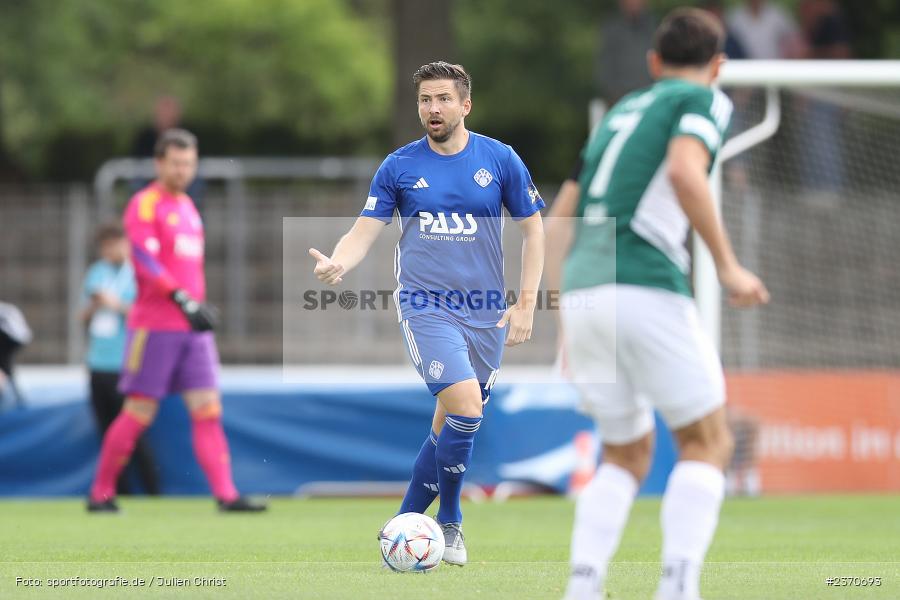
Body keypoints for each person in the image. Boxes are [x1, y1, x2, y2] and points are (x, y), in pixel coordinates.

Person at [548, 9, 769, 600]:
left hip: (584, 290)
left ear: (652, 61)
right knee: (708, 442)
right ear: (718, 65)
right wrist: (727, 266)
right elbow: (684, 173)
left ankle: (584, 584)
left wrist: (551, 303)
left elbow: (559, 213)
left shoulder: (619, 111)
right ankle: (677, 586)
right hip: (643, 281)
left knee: (624, 452)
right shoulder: (702, 100)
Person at [308, 61, 544, 566]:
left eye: (441, 99)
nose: (432, 109)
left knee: (448, 427)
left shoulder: (499, 160)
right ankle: (452, 523)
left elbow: (534, 229)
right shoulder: (399, 165)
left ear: (465, 105)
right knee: (466, 408)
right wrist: (339, 262)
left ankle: (404, 521)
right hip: (426, 306)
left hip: (485, 313)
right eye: (424, 101)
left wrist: (526, 302)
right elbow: (365, 228)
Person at [87, 129, 265, 513]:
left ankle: (227, 495)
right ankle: (100, 493)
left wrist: (194, 304)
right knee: (139, 411)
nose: (183, 170)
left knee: (208, 408)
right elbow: (146, 263)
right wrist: (183, 299)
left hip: (192, 329)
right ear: (159, 163)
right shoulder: (144, 204)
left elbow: (186, 268)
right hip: (155, 326)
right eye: (176, 163)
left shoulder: (187, 207)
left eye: (189, 163)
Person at [80, 223, 159, 496]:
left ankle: (152, 492)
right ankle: (117, 492)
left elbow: (148, 315)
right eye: (106, 245)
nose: (110, 250)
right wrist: (95, 304)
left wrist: (115, 304)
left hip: (127, 365)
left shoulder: (139, 273)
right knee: (107, 434)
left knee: (132, 433)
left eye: (115, 243)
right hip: (97, 364)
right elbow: (82, 317)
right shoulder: (96, 273)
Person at [596, 0, 657, 107]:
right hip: (620, 100)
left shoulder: (656, 28)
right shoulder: (611, 30)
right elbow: (605, 68)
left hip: (651, 98)